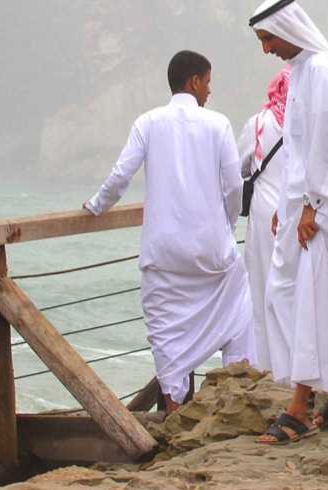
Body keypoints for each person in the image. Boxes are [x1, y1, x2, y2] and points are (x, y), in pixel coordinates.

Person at [83, 50, 255, 414]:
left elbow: (120, 176)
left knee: (166, 332)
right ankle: (235, 390)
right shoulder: (218, 124)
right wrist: (225, 225)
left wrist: (96, 206)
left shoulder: (148, 122)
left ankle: (174, 407)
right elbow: (232, 187)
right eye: (207, 82)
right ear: (193, 81)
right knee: (239, 310)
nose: (210, 91)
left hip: (162, 250)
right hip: (211, 251)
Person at [249, 0, 328, 445]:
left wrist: (312, 205)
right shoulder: (303, 71)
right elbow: (298, 150)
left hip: (322, 207)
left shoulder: (318, 68)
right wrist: (288, 207)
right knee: (301, 298)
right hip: (304, 206)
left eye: (268, 38)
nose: (266, 49)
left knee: (306, 301)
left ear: (288, 29)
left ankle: (301, 405)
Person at [238, 66, 289, 371]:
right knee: (294, 286)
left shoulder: (258, 123)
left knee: (261, 285)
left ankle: (267, 363)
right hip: (298, 210)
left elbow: (243, 166)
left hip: (264, 212)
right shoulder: (306, 121)